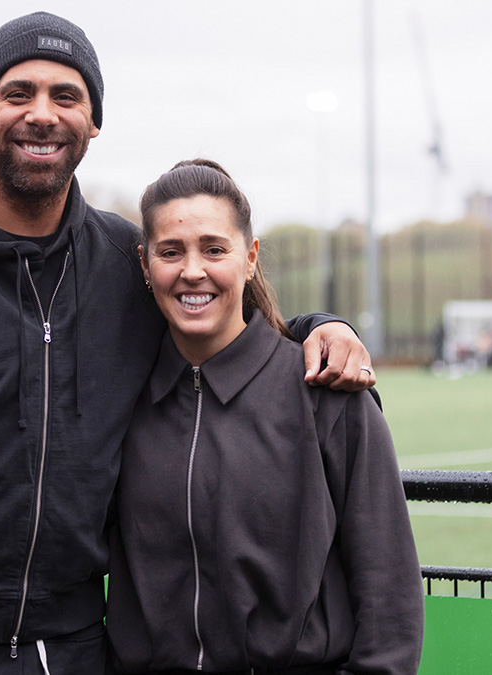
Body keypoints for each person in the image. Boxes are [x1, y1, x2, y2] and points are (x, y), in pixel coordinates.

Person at [0, 13, 377, 675]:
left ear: (92, 123)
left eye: (66, 96)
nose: (42, 113)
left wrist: (321, 325)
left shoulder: (120, 265)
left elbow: (216, 314)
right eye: (19, 93)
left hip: (74, 646)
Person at [106, 160, 422, 675]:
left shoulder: (328, 394)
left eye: (214, 249)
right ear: (145, 266)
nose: (192, 270)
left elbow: (390, 596)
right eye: (171, 252)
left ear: (250, 258)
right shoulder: (121, 401)